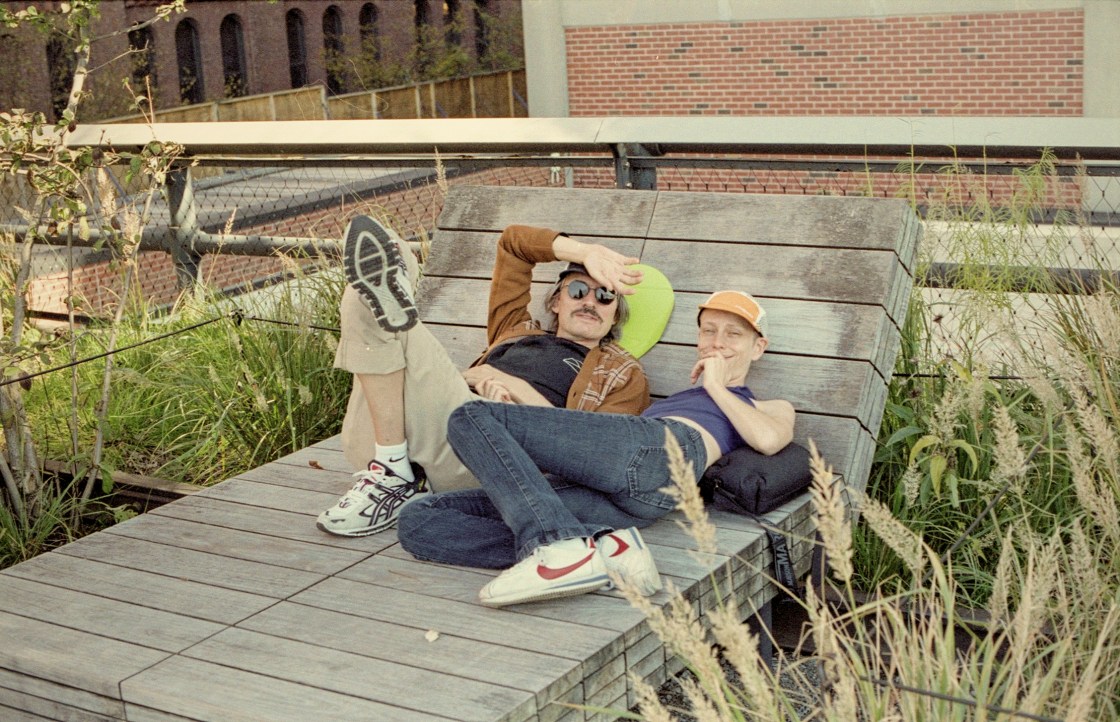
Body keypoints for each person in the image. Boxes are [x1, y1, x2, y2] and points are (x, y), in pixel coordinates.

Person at [397, 290, 797, 607]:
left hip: (669, 455)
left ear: (758, 347)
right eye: (709, 331)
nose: (717, 342)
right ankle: (603, 547)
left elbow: (767, 440)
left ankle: (557, 549)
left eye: (733, 334)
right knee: (418, 520)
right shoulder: (668, 402)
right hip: (624, 493)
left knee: (469, 416)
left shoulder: (768, 406)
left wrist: (715, 386)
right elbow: (594, 441)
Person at [317, 216, 651, 537]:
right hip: (384, 434)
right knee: (364, 291)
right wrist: (584, 252)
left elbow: (599, 452)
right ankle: (392, 465)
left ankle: (391, 472)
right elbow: (513, 245)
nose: (590, 301)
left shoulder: (622, 373)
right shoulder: (514, 328)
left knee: (386, 313)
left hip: (480, 455)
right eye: (578, 290)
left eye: (605, 295)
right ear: (555, 303)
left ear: (614, 316)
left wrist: (508, 403)